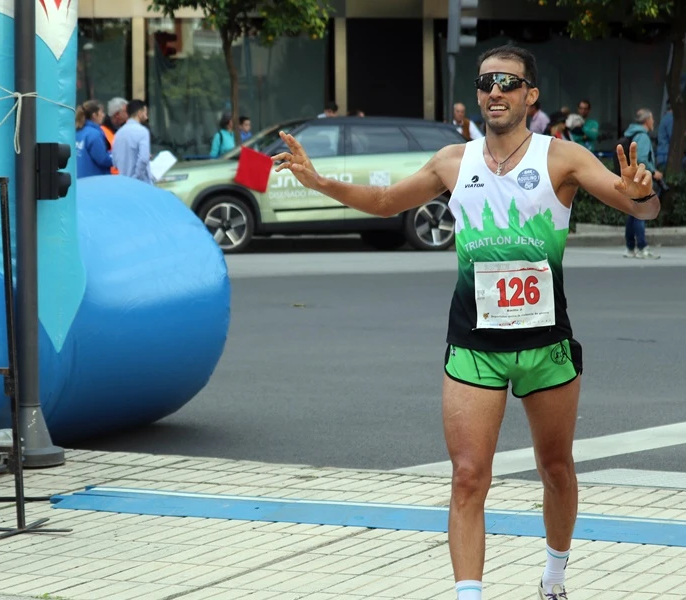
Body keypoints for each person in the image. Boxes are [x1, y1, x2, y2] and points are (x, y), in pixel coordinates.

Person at [271, 43, 659, 600]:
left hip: (547, 345)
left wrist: (643, 197)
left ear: (531, 95)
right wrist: (319, 182)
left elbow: (635, 205)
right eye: (485, 83)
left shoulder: (561, 158)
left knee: (556, 470)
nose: (494, 91)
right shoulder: (454, 162)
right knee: (468, 476)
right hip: (473, 343)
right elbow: (385, 202)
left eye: (507, 81)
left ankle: (554, 579)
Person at [621, 108, 662, 259]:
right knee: (641, 213)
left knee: (633, 213)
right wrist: (653, 171)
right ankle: (642, 248)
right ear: (646, 121)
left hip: (632, 179)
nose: (653, 122)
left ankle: (630, 247)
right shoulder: (643, 137)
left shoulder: (631, 134)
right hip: (640, 180)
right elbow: (642, 159)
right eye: (652, 119)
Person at [111, 99, 154, 184]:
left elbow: (114, 161)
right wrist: (137, 177)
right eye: (145, 112)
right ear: (139, 113)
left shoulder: (118, 133)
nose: (147, 116)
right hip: (141, 184)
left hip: (124, 182)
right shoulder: (142, 131)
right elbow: (144, 159)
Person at [75, 100, 114, 178]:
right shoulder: (94, 134)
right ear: (94, 115)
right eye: (101, 112)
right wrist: (116, 157)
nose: (103, 115)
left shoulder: (78, 131)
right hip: (95, 180)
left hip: (80, 179)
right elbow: (102, 159)